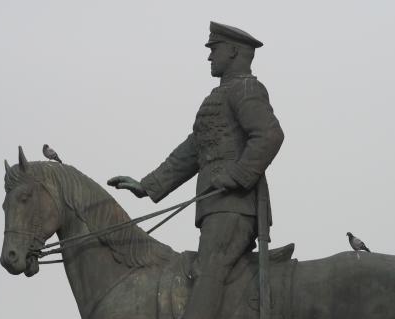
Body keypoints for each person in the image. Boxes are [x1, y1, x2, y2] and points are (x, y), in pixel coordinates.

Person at [108, 21, 284, 319]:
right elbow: (193, 150)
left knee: (210, 270)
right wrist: (148, 185)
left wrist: (238, 175)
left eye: (214, 49)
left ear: (233, 51)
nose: (209, 57)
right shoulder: (221, 95)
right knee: (207, 270)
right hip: (215, 204)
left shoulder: (246, 88)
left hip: (234, 206)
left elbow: (269, 134)